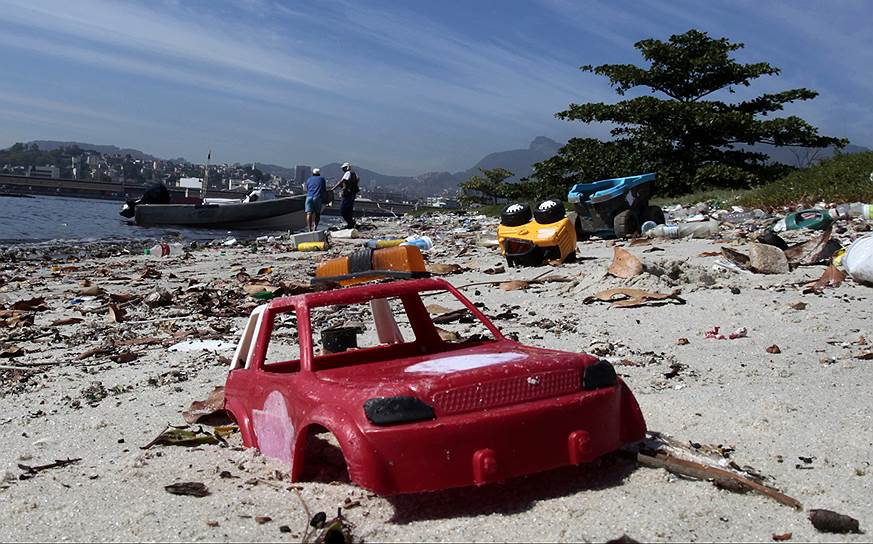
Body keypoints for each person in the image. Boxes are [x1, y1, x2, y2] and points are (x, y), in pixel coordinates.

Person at [332, 162, 359, 229]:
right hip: (352, 194)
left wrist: (333, 189)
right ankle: (350, 224)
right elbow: (358, 180)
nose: (343, 170)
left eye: (343, 168)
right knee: (349, 210)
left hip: (347, 194)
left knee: (343, 210)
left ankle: (350, 223)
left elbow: (342, 181)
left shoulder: (347, 173)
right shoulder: (354, 173)